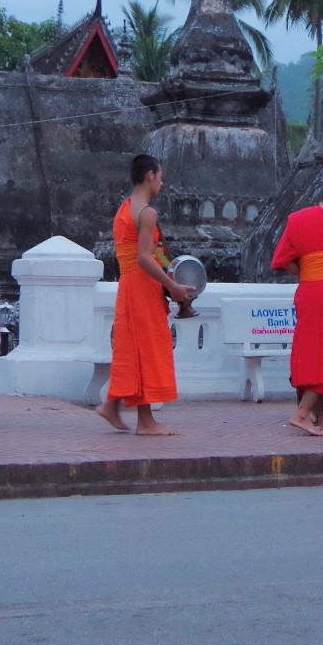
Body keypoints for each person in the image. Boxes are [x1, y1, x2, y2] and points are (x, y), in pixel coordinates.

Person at [99, 154, 191, 435]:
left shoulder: (125, 208)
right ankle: (146, 421)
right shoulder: (147, 212)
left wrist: (169, 271)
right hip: (141, 285)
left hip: (129, 284)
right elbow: (143, 257)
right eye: (160, 177)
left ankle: (112, 405)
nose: (162, 183)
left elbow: (146, 255)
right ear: (150, 175)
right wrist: (173, 286)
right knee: (147, 349)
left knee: (134, 348)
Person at [270, 185, 323, 437]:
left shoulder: (297, 219)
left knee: (312, 353)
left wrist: (307, 273)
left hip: (307, 291)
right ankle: (300, 414)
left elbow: (281, 260)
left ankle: (322, 416)